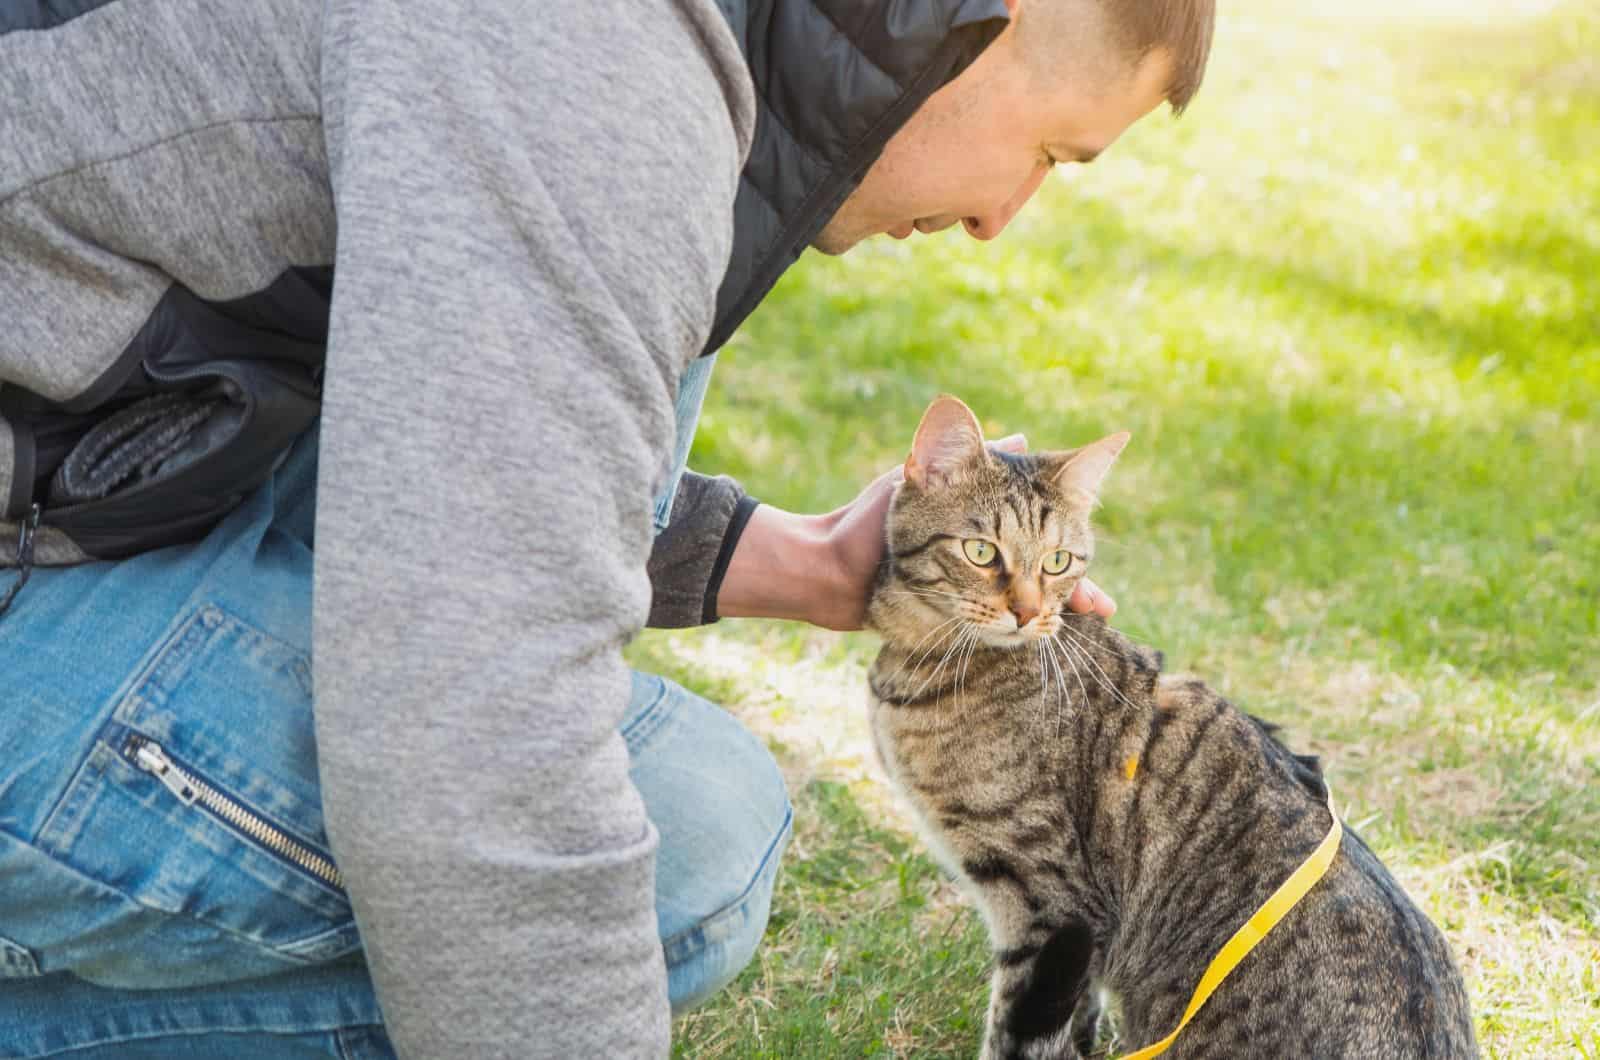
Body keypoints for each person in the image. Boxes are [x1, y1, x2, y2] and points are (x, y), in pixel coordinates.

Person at [0, 0, 1212, 1055]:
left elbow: (441, 408)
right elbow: (469, 738)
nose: (1009, 215)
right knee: (689, 854)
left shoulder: (706, 68)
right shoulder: (595, 71)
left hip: (113, 450)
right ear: (983, 18)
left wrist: (769, 559)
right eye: (1051, 151)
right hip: (42, 543)